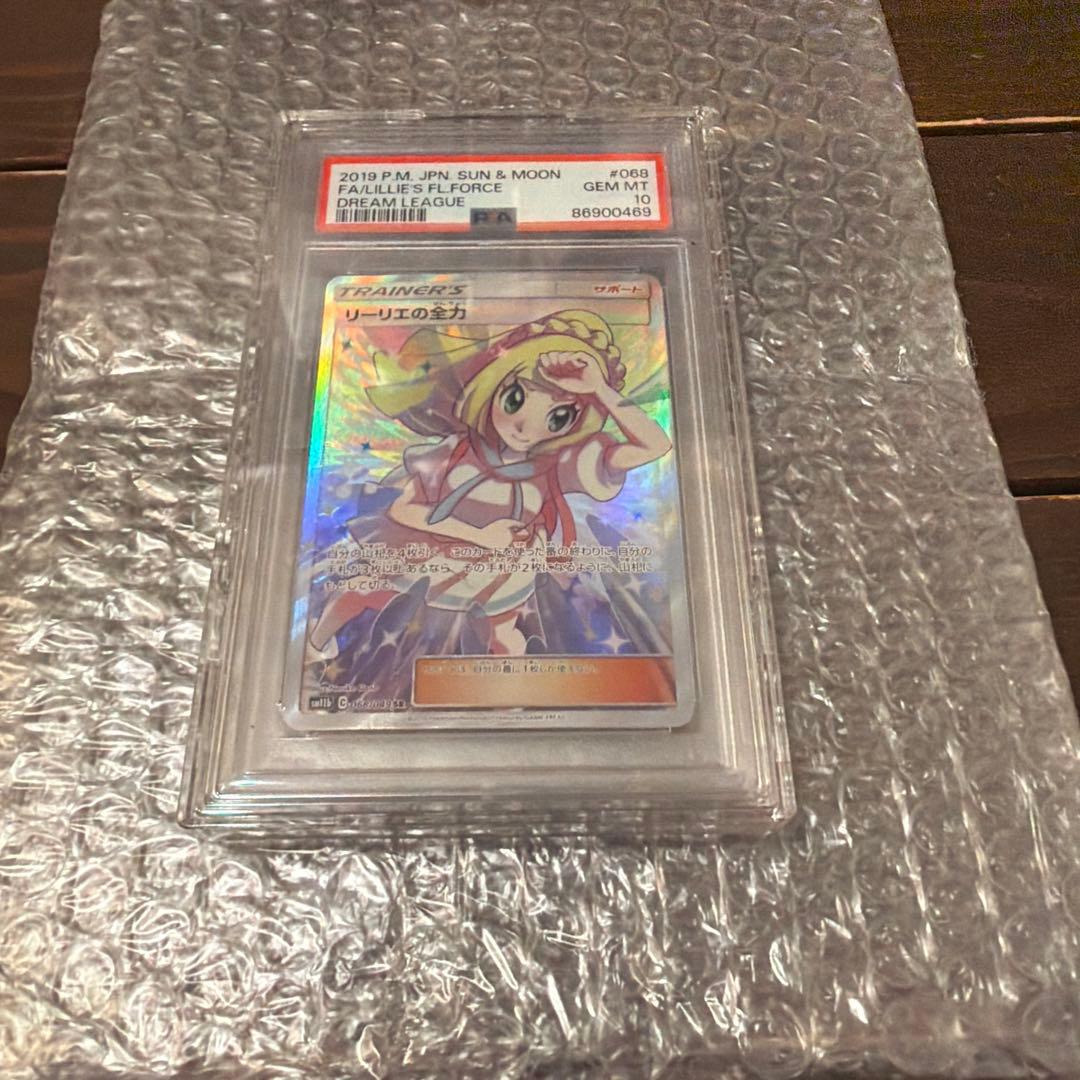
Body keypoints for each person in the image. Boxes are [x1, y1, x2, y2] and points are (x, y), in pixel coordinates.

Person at [309, 309, 671, 656]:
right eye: (515, 399)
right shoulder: (456, 451)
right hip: (434, 551)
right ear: (493, 385)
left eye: (558, 416)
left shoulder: (558, 465)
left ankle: (511, 694)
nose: (524, 428)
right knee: (360, 592)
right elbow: (403, 510)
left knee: (503, 636)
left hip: (499, 570)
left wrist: (600, 390)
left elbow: (655, 446)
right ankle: (312, 650)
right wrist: (479, 535)